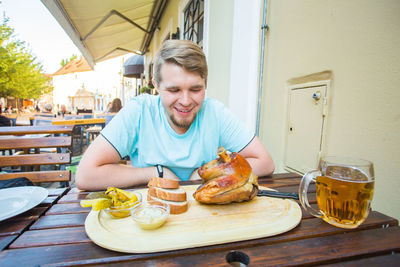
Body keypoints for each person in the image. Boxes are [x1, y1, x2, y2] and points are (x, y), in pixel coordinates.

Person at [76, 40, 274, 190]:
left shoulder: (215, 112)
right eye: (174, 90)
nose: (186, 101)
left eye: (196, 89)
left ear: (205, 84)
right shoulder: (139, 111)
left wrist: (209, 173)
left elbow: (265, 162)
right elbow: (85, 175)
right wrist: (156, 173)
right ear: (157, 87)